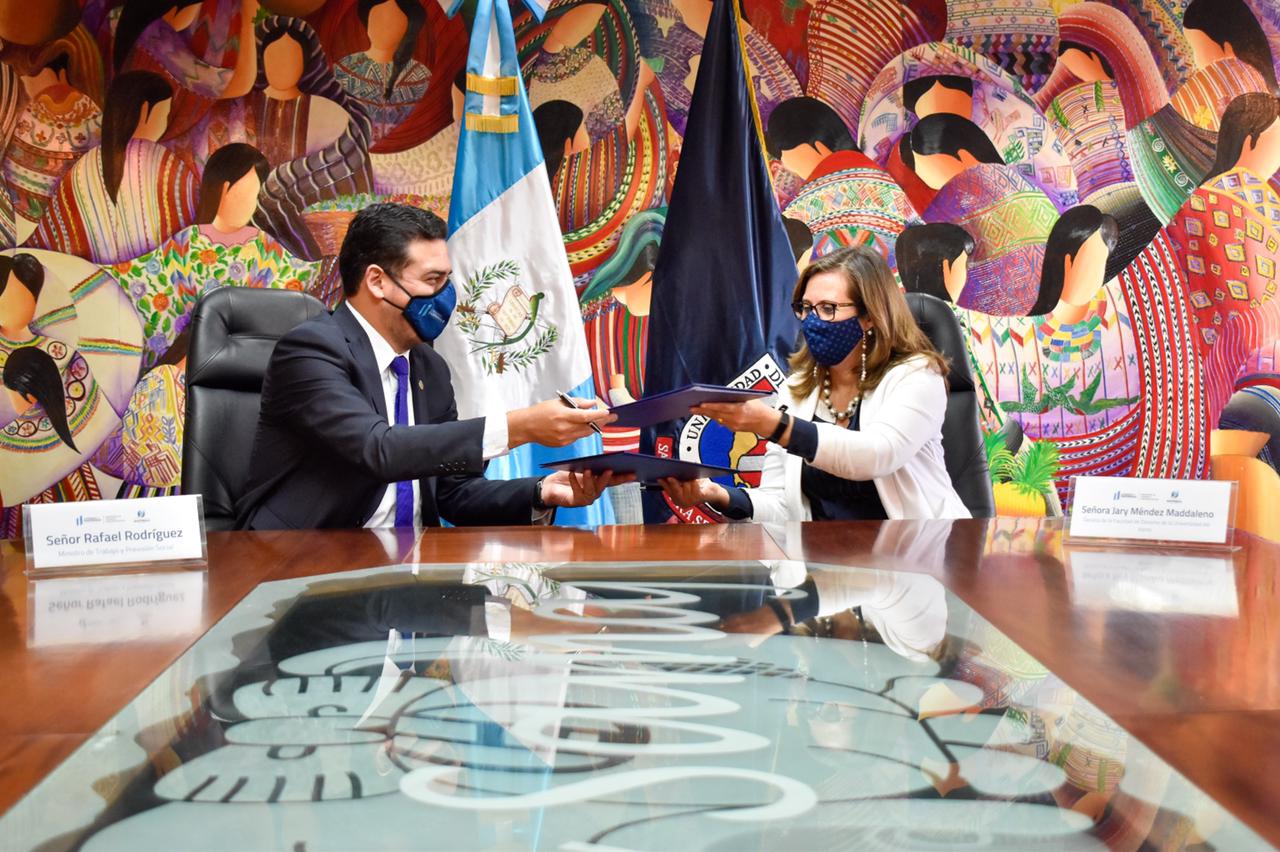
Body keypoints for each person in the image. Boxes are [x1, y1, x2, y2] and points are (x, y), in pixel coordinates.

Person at [236, 203, 624, 530]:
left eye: (447, 280)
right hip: (301, 564)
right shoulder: (311, 350)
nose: (446, 296)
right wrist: (518, 428)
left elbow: (453, 494)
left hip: (408, 568)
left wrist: (541, 491)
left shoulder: (429, 367)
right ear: (377, 281)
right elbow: (379, 449)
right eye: (432, 280)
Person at [659, 244, 969, 522]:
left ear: (870, 316)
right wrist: (718, 494)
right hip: (828, 561)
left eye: (828, 308)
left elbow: (877, 455)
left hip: (919, 554)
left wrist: (774, 425)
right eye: (806, 308)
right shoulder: (797, 390)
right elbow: (783, 505)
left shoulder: (917, 375)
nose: (812, 321)